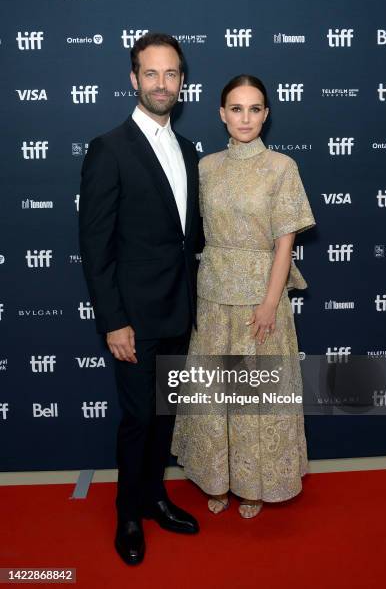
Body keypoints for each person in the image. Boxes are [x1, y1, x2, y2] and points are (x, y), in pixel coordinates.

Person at [79, 33, 202, 565]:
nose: (161, 83)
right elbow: (95, 245)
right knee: (136, 419)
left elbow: (185, 239)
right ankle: (128, 513)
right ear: (134, 79)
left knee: (165, 415)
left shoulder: (189, 148)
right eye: (150, 73)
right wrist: (114, 322)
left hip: (179, 310)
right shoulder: (110, 148)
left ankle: (155, 497)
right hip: (133, 317)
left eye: (170, 73)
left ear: (182, 81)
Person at [171, 74, 316, 519]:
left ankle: (254, 485)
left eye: (254, 109)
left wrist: (271, 300)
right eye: (236, 108)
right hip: (213, 294)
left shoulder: (281, 167)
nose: (245, 118)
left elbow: (285, 240)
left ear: (266, 114)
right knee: (215, 394)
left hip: (260, 296)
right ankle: (219, 477)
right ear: (222, 114)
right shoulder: (206, 167)